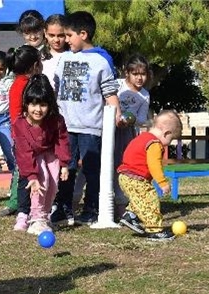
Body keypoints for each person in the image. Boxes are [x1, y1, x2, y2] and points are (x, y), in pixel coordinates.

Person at [51, 10, 122, 226]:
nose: (65, 40)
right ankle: (62, 208)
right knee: (66, 168)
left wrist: (116, 115)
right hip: (66, 126)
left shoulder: (101, 62)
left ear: (83, 34)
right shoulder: (63, 59)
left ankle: (92, 209)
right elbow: (56, 90)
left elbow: (110, 94)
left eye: (69, 35)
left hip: (91, 127)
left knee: (92, 170)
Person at [12, 74, 71, 234]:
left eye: (43, 105)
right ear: (26, 104)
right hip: (31, 156)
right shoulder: (20, 124)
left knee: (52, 184)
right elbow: (24, 152)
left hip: (50, 153)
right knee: (41, 180)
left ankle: (44, 217)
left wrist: (64, 164)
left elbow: (62, 140)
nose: (38, 110)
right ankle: (35, 219)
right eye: (34, 104)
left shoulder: (56, 120)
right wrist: (32, 176)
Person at [117, 110, 182, 240]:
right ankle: (154, 230)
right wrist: (162, 182)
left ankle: (131, 215)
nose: (169, 142)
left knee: (141, 200)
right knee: (150, 200)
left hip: (125, 176)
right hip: (136, 178)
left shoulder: (142, 137)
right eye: (171, 139)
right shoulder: (154, 144)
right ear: (166, 133)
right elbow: (154, 165)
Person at [0, 45, 43, 218]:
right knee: (22, 171)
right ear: (34, 66)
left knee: (21, 169)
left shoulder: (18, 83)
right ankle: (18, 204)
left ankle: (20, 204)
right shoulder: (26, 85)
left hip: (19, 134)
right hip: (26, 134)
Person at [114, 54, 152, 218]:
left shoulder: (144, 95)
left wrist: (129, 118)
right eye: (135, 74)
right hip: (108, 130)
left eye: (142, 74)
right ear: (127, 73)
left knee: (122, 167)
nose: (139, 78)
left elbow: (142, 119)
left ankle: (121, 207)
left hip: (127, 134)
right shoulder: (117, 85)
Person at [42, 14, 68, 91]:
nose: (56, 40)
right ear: (45, 33)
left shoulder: (74, 56)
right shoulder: (39, 56)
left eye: (61, 36)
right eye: (52, 35)